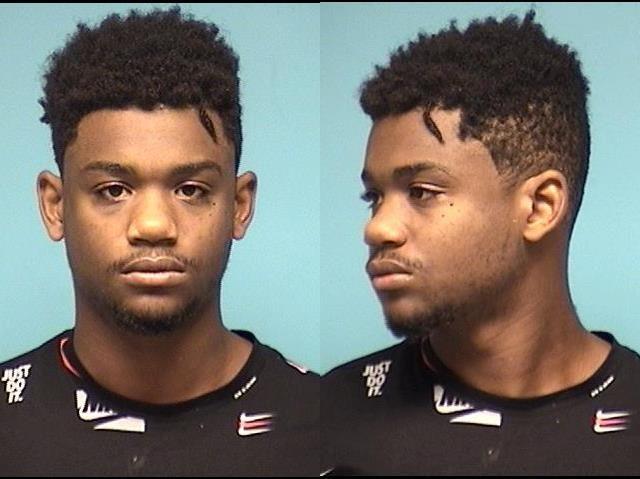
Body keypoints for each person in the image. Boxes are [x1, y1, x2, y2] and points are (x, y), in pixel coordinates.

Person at [0, 7, 318, 476]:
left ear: (239, 205)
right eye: (113, 190)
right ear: (55, 205)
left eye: (190, 190)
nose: (153, 225)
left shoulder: (323, 426)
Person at [323, 11, 640, 475]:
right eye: (374, 197)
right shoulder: (325, 423)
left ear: (540, 207)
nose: (377, 229)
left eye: (421, 192)